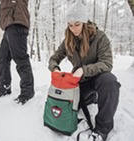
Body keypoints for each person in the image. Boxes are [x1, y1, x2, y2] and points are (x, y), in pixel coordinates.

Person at [48, 0, 121, 140]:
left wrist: (84, 70)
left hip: (97, 78)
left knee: (110, 82)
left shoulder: (100, 37)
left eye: (77, 24)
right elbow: (53, 59)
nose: (73, 29)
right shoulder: (68, 40)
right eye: (70, 25)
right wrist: (55, 68)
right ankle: (90, 98)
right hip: (79, 82)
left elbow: (107, 63)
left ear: (84, 22)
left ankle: (102, 129)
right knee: (64, 100)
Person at [0, 0, 34, 105]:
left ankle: (27, 92)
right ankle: (4, 87)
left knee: (21, 59)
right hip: (8, 27)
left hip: (17, 25)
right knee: (2, 59)